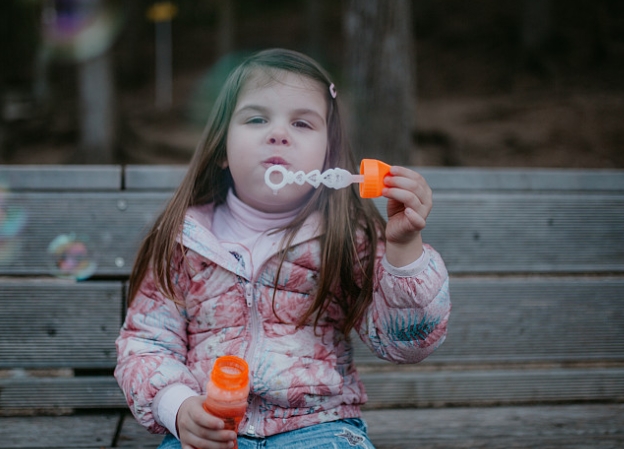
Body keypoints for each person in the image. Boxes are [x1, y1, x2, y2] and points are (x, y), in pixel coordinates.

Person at [115, 48, 450, 449]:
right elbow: (146, 344)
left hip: (320, 427)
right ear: (222, 150)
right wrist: (180, 408)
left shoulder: (348, 236)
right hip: (209, 430)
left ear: (329, 157)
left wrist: (404, 247)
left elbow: (407, 344)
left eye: (302, 123)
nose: (278, 133)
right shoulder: (182, 239)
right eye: (256, 118)